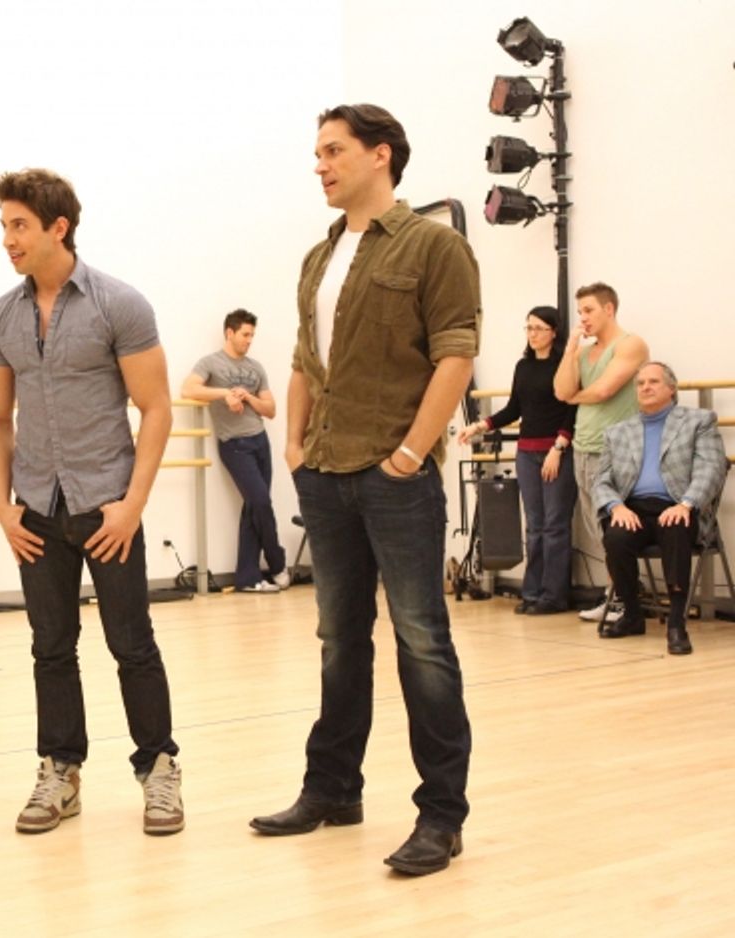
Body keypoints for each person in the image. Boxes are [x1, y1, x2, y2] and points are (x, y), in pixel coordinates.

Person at [249, 104, 478, 877]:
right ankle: (333, 789)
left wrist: (412, 453)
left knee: (423, 644)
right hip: (327, 474)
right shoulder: (319, 256)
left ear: (382, 155)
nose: (320, 164)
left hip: (395, 477)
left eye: (333, 150)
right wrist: (295, 446)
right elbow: (307, 360)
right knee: (339, 641)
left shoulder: (434, 246)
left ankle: (441, 817)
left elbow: (456, 356)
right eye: (317, 152)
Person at [0, 168, 183, 836]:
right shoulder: (0, 317)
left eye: (18, 225)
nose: (6, 238)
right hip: (36, 508)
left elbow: (155, 409)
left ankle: (158, 771)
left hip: (107, 507)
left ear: (57, 228)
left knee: (132, 644)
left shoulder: (118, 305)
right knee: (50, 647)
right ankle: (60, 773)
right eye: (3, 225)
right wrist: (2, 507)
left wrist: (130, 505)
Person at [593, 362, 727, 655]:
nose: (646, 388)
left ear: (671, 388)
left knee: (676, 528)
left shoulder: (698, 421)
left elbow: (712, 469)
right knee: (615, 538)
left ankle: (676, 623)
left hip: (677, 506)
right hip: (633, 509)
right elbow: (601, 480)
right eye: (640, 384)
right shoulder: (617, 432)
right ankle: (632, 614)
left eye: (653, 382)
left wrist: (686, 504)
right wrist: (616, 507)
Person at [459, 306, 577, 614]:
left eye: (538, 328)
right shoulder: (523, 366)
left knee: (555, 525)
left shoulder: (565, 365)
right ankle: (533, 592)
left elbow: (572, 408)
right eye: (528, 328)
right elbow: (514, 408)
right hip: (527, 451)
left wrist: (560, 446)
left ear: (554, 331)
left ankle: (554, 595)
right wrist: (481, 425)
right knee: (534, 525)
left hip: (556, 452)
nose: (532, 334)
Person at [553, 283, 648, 622]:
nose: (584, 318)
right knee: (596, 529)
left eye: (589, 310)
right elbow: (562, 389)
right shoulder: (582, 352)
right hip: (584, 447)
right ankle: (616, 593)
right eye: (580, 312)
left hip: (617, 451)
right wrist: (569, 351)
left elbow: (605, 389)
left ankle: (624, 596)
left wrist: (575, 396)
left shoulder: (631, 344)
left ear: (609, 309)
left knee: (612, 527)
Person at [181, 308, 289, 593]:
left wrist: (248, 396)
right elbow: (188, 389)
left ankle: (248, 578)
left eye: (252, 335)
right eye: (245, 334)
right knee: (261, 503)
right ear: (229, 333)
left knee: (254, 506)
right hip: (234, 445)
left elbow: (272, 410)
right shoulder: (211, 363)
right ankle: (277, 563)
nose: (249, 340)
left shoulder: (256, 368)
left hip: (260, 441)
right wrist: (224, 394)